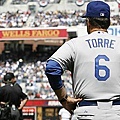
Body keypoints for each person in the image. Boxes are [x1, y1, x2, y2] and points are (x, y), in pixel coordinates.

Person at [45, 1, 120, 120]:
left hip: (86, 112)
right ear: (109, 23)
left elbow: (52, 67)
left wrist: (63, 98)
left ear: (88, 22)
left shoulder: (75, 44)